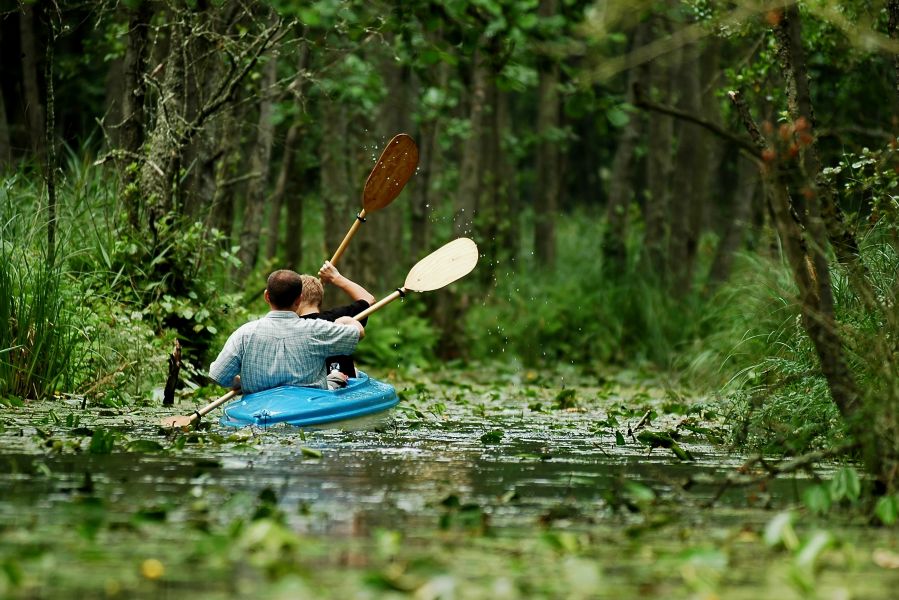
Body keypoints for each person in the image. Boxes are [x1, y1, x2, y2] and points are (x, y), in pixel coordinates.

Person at [208, 269, 364, 393]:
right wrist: (346, 321)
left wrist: (240, 382)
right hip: (308, 411)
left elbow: (217, 376)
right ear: (299, 299)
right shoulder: (317, 329)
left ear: (266, 296)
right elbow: (358, 333)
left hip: (259, 415)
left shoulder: (243, 334)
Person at [296, 261, 375, 388]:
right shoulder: (338, 318)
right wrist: (335, 277)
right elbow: (368, 299)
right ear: (320, 299)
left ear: (296, 299)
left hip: (314, 391)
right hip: (344, 387)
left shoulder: (290, 326)